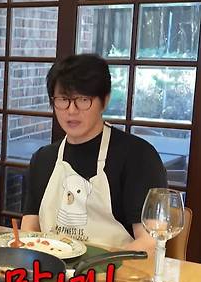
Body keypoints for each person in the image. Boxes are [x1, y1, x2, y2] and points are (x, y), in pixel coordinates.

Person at [23, 53, 168, 251]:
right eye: (63, 99)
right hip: (52, 266)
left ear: (104, 100)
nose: (71, 110)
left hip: (116, 267)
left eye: (83, 99)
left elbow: (151, 242)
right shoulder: (43, 159)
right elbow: (30, 230)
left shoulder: (138, 157)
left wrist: (98, 266)